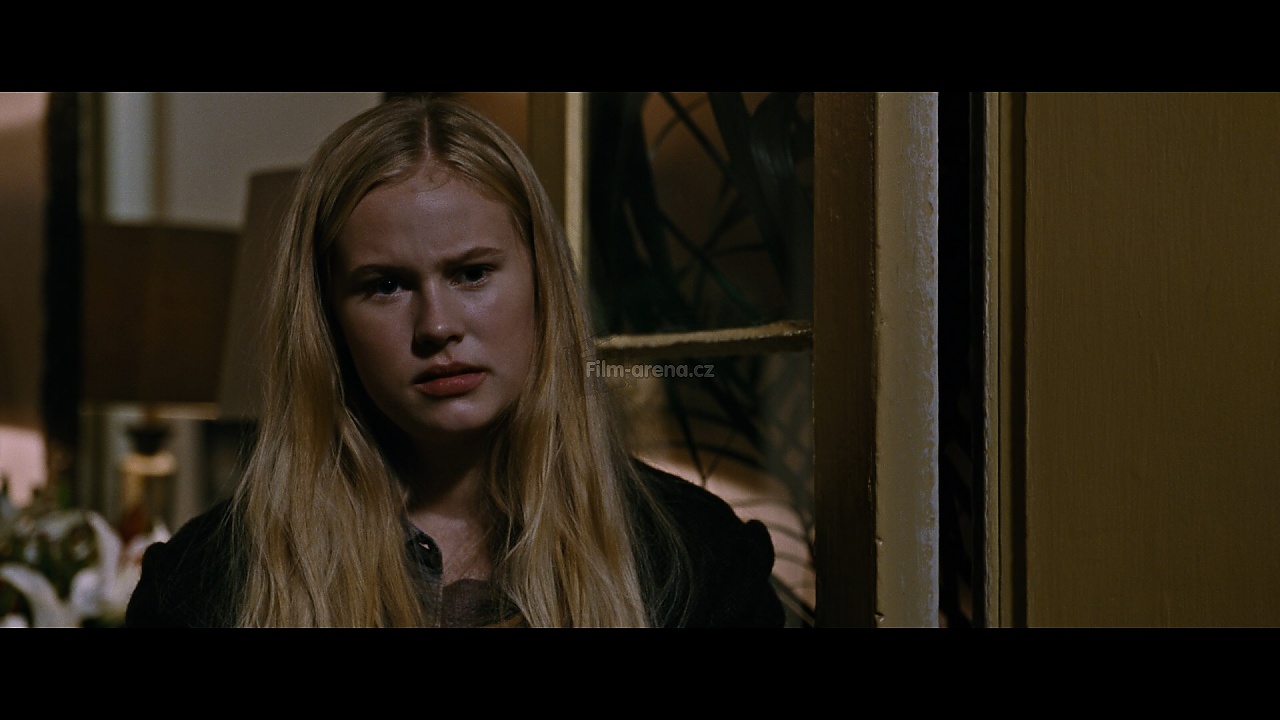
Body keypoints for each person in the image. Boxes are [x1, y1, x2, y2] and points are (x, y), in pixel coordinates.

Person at [124, 94, 783, 628]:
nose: (437, 326)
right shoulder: (201, 586)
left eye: (471, 273)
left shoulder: (699, 562)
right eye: (386, 285)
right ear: (328, 319)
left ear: (543, 284)